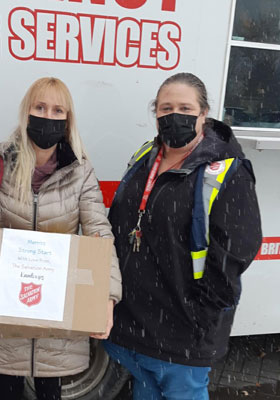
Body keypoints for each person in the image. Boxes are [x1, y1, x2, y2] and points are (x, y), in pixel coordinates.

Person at [0, 77, 122, 400]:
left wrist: (108, 296)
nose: (48, 116)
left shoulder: (81, 172)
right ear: (27, 112)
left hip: (57, 309)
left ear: (67, 119)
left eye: (57, 109)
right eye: (40, 107)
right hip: (3, 306)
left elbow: (100, 234)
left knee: (50, 391)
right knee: (4, 390)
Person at [104, 72, 262, 400]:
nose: (175, 115)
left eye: (185, 108)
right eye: (165, 108)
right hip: (135, 323)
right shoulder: (146, 156)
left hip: (183, 332)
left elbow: (236, 250)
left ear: (204, 114)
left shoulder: (227, 171)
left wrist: (198, 316)